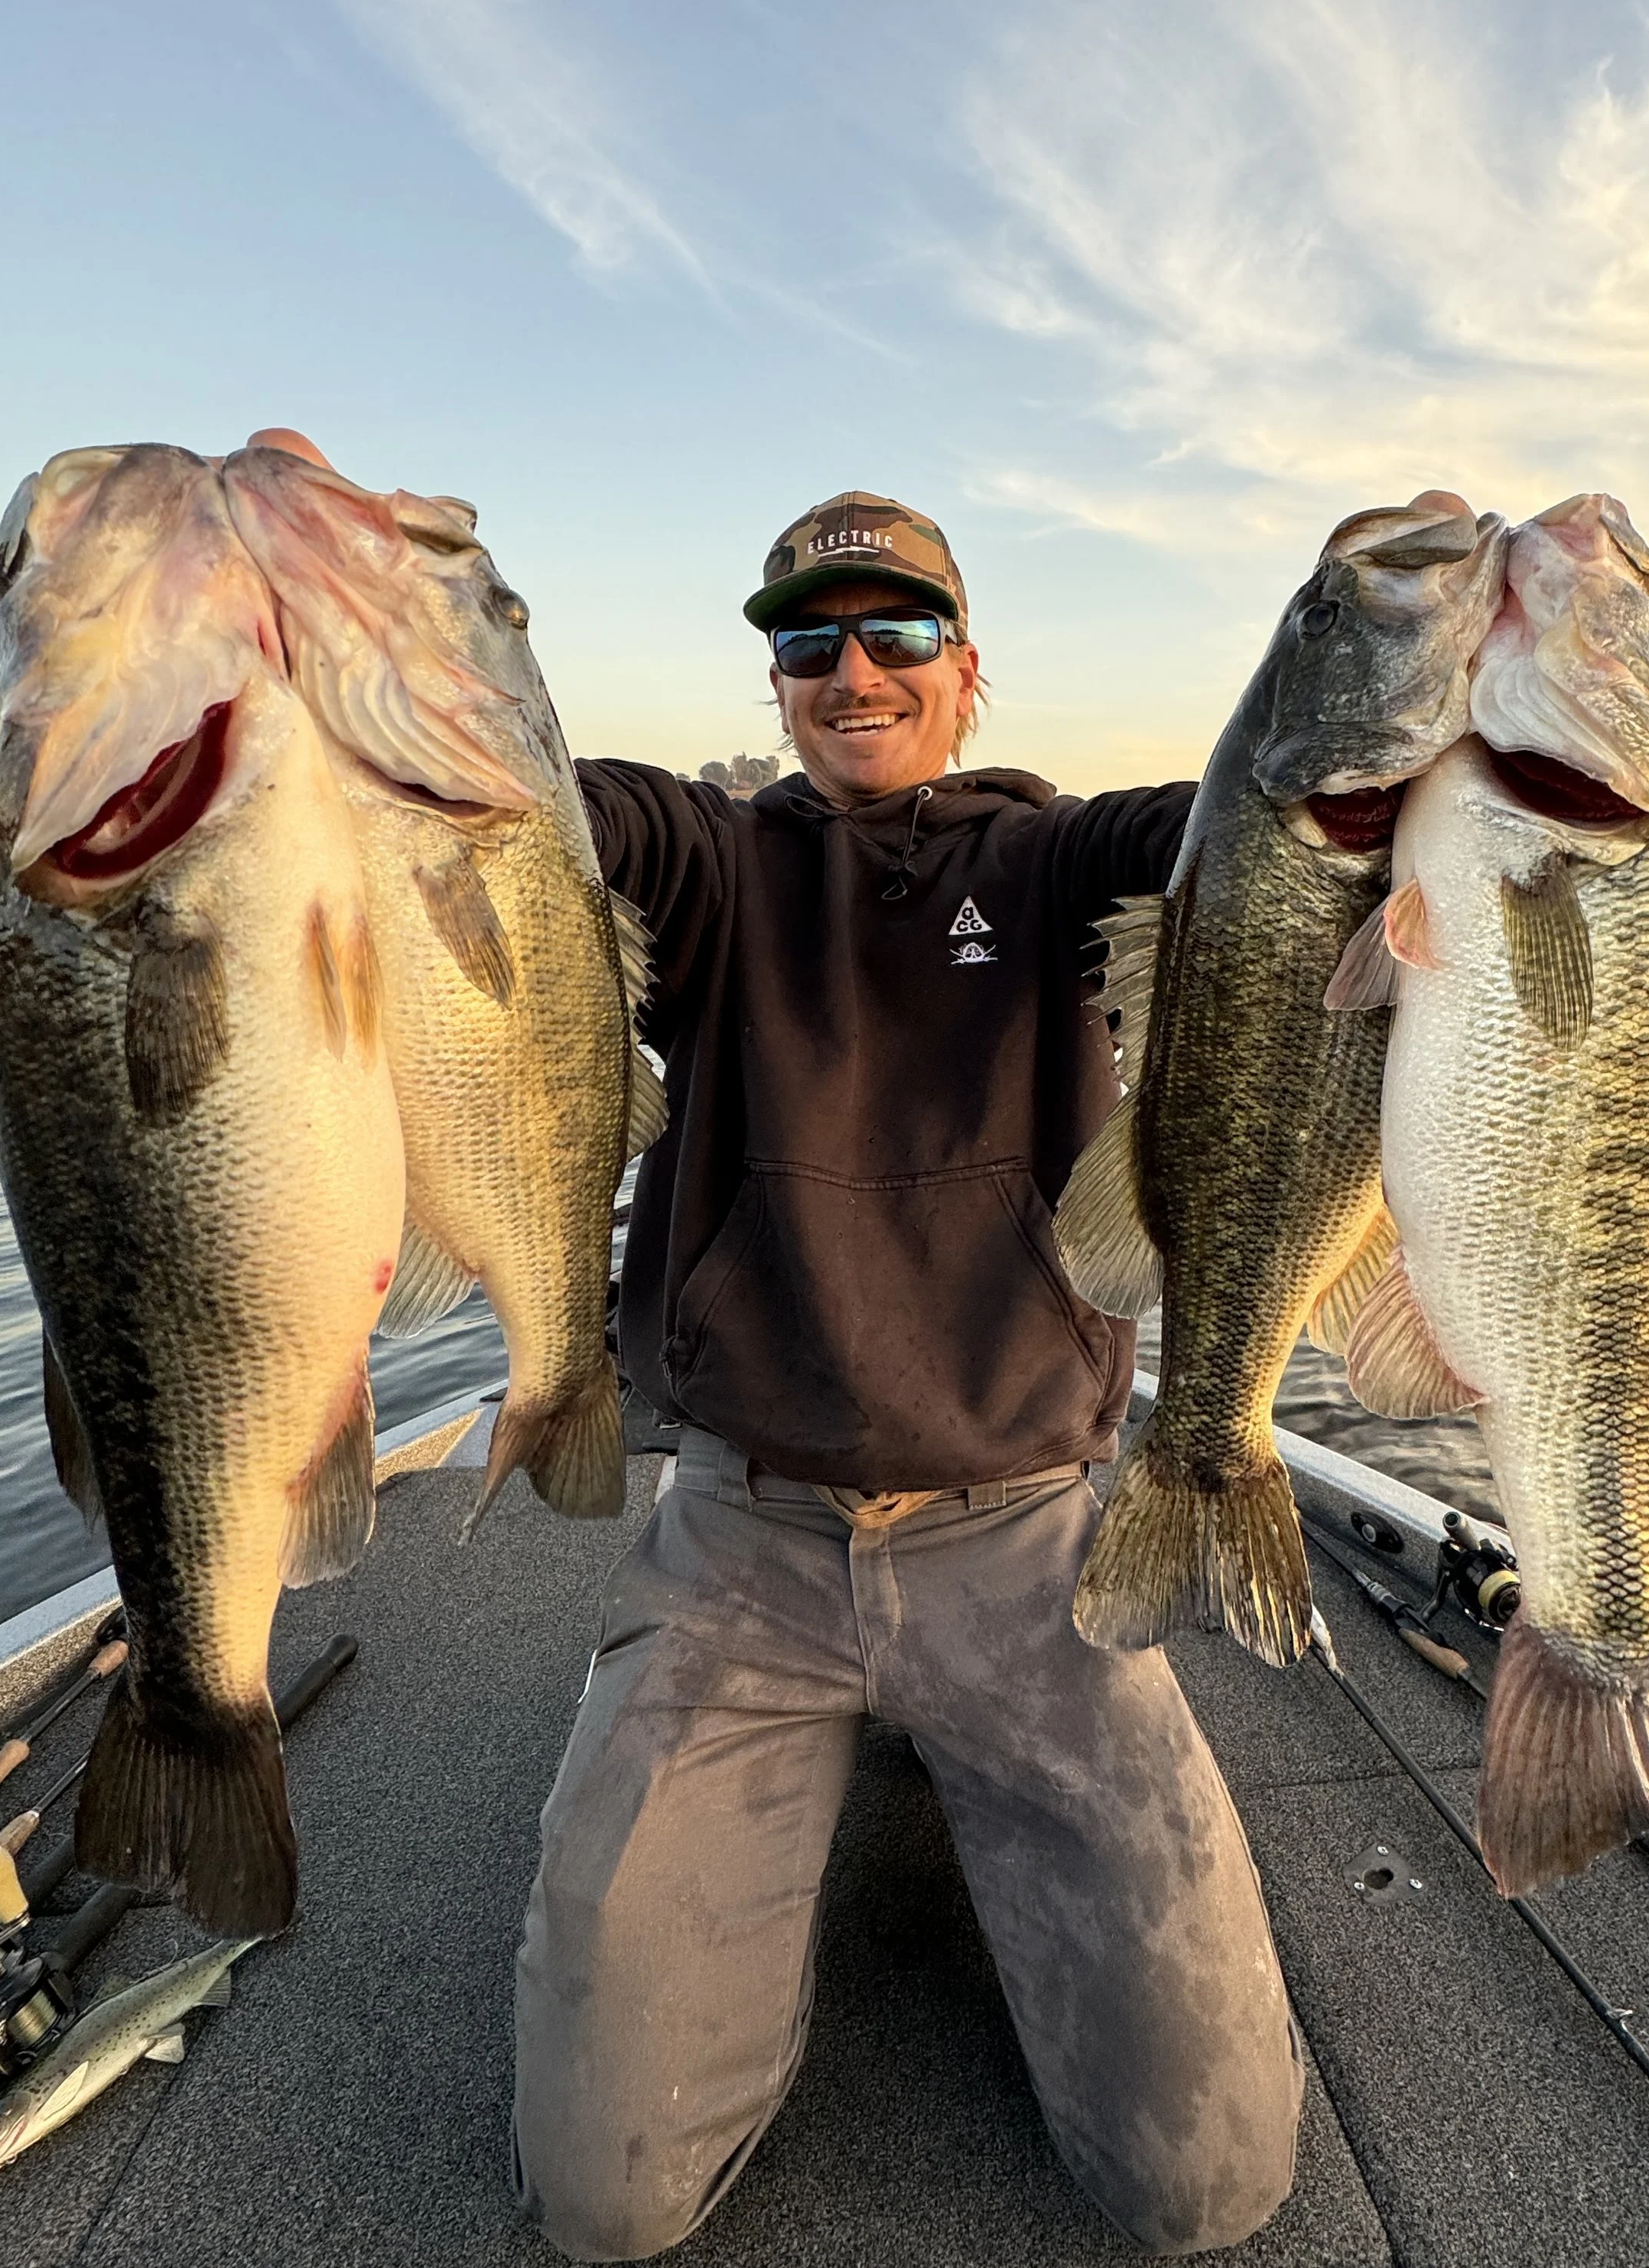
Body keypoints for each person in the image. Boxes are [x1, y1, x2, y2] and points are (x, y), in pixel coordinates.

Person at [511, 492, 1303, 2259]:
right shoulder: (722, 866)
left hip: (1023, 1531)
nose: (851, 671)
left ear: (967, 673)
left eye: (898, 635)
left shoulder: (1052, 860)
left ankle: (936, 1767)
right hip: (745, 1534)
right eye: (807, 643)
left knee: (1205, 2180)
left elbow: (1229, 841)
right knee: (600, 2194)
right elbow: (586, 818)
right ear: (779, 680)